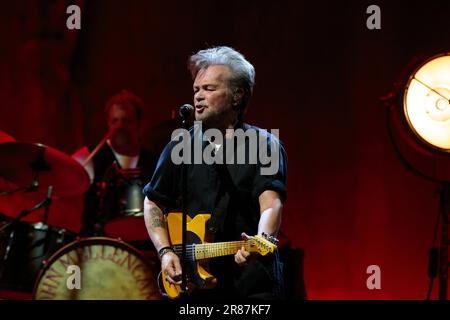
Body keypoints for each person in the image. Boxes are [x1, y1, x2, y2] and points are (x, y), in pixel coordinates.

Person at [143, 46, 288, 299]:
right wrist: (165, 252)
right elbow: (153, 201)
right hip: (196, 285)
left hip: (251, 284)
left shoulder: (264, 144)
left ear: (237, 96)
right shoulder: (181, 144)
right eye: (196, 90)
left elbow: (270, 204)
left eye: (209, 89)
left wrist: (261, 239)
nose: (198, 97)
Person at [73, 90, 157, 236]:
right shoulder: (89, 156)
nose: (120, 127)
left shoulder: (154, 162)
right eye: (115, 121)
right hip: (98, 244)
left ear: (139, 123)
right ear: (108, 123)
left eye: (126, 121)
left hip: (143, 245)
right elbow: (60, 175)